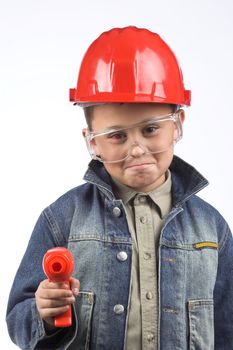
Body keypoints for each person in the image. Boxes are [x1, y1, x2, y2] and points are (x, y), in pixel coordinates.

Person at [6, 26, 233, 350]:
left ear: (177, 124)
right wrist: (41, 312)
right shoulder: (63, 219)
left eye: (150, 129)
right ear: (92, 141)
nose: (137, 148)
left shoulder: (212, 230)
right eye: (117, 135)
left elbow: (227, 327)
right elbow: (18, 319)